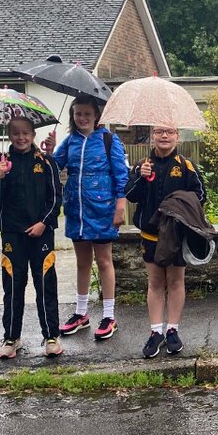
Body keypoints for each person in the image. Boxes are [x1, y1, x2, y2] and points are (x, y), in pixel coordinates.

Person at [43, 95, 129, 341]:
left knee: (104, 261)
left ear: (96, 116)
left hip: (102, 208)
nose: (82, 118)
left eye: (86, 114)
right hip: (76, 208)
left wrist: (120, 205)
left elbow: (121, 174)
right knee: (82, 262)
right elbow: (52, 167)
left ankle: (109, 315)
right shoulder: (69, 141)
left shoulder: (108, 140)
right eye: (77, 114)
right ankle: (81, 313)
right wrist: (49, 151)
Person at [0, 117, 63, 360]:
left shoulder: (47, 162)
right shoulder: (1, 162)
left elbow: (56, 199)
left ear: (33, 134)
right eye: (16, 133)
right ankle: (11, 337)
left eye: (25, 133)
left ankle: (51, 336)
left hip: (41, 234)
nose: (21, 137)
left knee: (45, 285)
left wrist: (42, 224)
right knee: (14, 286)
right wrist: (0, 177)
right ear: (8, 135)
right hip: (12, 234)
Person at [125, 126, 206, 359]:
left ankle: (173, 329)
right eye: (159, 131)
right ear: (153, 136)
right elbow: (130, 194)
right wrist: (140, 177)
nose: (164, 136)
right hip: (150, 234)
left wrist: (178, 206)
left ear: (177, 137)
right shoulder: (141, 165)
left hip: (175, 235)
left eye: (169, 132)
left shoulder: (186, 166)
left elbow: (200, 195)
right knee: (155, 282)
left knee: (176, 280)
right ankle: (155, 331)